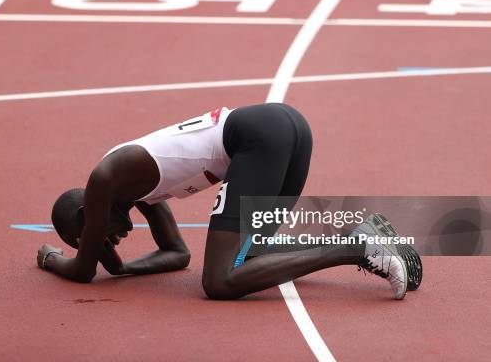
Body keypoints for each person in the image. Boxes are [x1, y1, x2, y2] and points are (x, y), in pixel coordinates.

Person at [37, 103, 418, 299]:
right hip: (284, 126)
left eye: (89, 238)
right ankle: (363, 238)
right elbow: (176, 254)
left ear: (90, 214)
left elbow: (83, 272)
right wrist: (122, 269)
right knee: (250, 256)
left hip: (258, 137)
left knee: (219, 281)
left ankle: (358, 247)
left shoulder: (105, 178)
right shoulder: (133, 188)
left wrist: (53, 258)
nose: (105, 244)